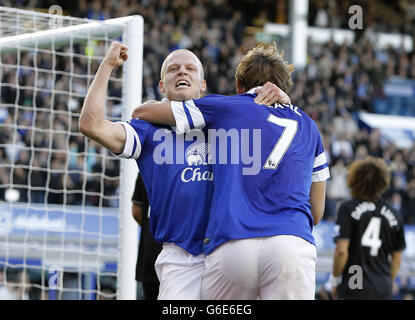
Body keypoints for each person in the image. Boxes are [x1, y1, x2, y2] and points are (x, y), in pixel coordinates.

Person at [79, 42, 288, 299]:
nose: (182, 72)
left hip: (231, 252)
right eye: (173, 69)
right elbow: (91, 125)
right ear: (162, 87)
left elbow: (282, 130)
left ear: (203, 85)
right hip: (180, 258)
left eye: (190, 69)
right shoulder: (146, 130)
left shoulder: (231, 119)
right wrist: (107, 65)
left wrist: (283, 100)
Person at [132, 42, 330, 300]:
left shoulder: (226, 107)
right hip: (291, 241)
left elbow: (142, 112)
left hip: (233, 243)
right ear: (284, 87)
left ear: (238, 86)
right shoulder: (309, 125)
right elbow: (316, 213)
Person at [327, 156, 406, 300]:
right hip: (382, 285)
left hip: (354, 280)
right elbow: (397, 259)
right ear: (383, 181)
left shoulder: (348, 208)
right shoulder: (395, 215)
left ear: (355, 179)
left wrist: (334, 280)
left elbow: (341, 251)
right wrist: (387, 281)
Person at [131, 173, 162, 300]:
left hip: (150, 252)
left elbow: (136, 211)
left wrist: (151, 227)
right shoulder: (190, 170)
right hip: (182, 252)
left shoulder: (146, 168)